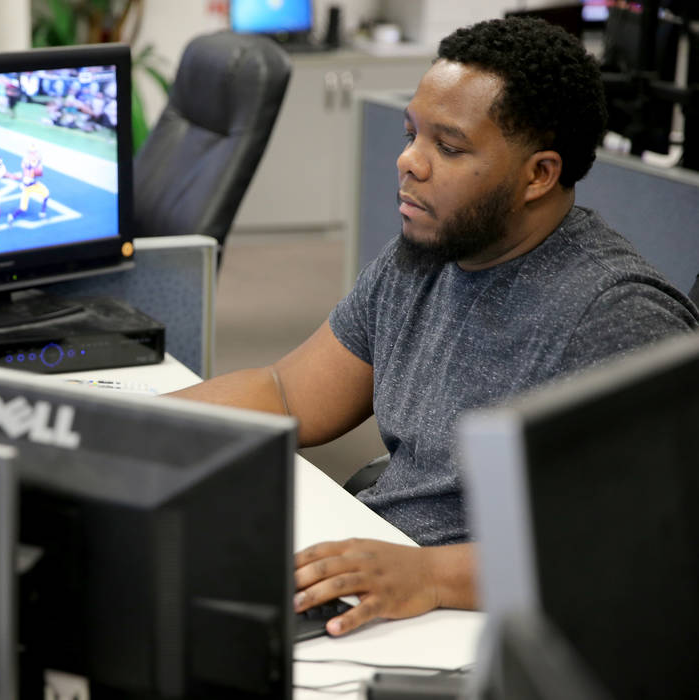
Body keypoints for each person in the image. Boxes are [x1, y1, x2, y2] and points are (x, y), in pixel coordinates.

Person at [170, 17, 699, 637]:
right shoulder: (426, 253)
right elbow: (287, 393)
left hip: (482, 624)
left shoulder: (620, 317)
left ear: (539, 175)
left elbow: (637, 553)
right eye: (411, 133)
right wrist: (127, 429)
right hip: (384, 571)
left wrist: (430, 575)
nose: (408, 161)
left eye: (448, 147)